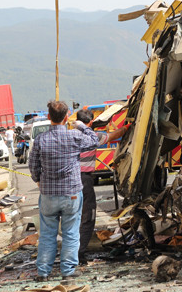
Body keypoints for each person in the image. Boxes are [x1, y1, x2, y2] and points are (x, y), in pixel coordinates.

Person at [29, 101, 99, 282]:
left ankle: (43, 272)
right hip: (72, 193)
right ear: (67, 117)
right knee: (71, 233)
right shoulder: (74, 136)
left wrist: (38, 180)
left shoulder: (40, 140)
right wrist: (83, 126)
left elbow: (33, 166)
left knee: (47, 234)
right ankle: (67, 271)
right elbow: (94, 141)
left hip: (48, 195)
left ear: (49, 117)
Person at [75, 109, 129, 265]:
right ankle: (79, 254)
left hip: (69, 181)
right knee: (88, 217)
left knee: (72, 217)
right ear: (90, 122)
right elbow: (114, 135)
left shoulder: (69, 136)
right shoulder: (93, 137)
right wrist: (127, 126)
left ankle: (70, 251)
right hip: (84, 181)